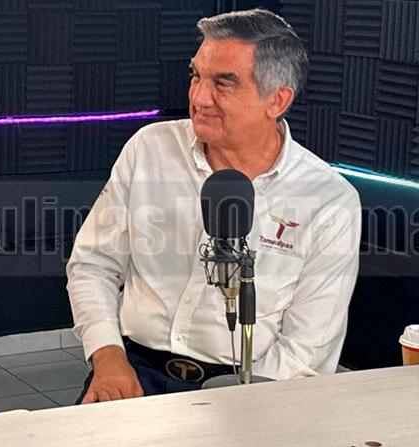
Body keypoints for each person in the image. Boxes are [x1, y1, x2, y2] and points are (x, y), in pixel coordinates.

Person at [66, 9, 360, 404]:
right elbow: (92, 265)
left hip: (250, 389)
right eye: (196, 76)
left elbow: (308, 348)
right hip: (133, 373)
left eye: (223, 83)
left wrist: (238, 407)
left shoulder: (328, 200)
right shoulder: (148, 149)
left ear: (277, 100)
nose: (199, 98)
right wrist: (108, 357)